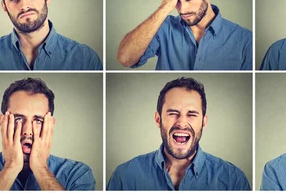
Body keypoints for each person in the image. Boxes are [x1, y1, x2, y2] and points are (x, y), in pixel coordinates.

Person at [107, 77, 250, 190]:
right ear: (158, 119)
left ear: (204, 122)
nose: (181, 123)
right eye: (173, 113)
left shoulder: (233, 180)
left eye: (192, 114)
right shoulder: (125, 177)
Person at [0, 78, 96, 190]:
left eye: (38, 120)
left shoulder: (78, 173)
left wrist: (41, 168)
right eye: (18, 119)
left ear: (50, 125)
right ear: (2, 121)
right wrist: (11, 166)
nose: (27, 131)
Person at [117, 0, 251, 70]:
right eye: (176, 1)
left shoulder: (244, 40)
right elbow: (125, 58)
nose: (182, 10)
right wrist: (165, 6)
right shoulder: (163, 27)